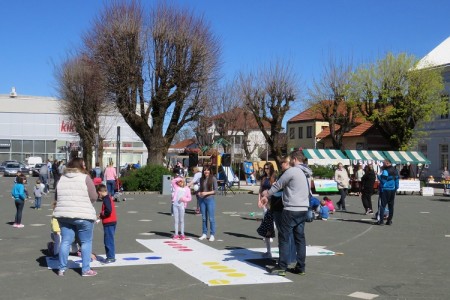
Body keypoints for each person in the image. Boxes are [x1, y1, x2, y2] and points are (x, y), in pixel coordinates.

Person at [261, 150, 310, 276]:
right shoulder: (307, 172)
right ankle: (301, 267)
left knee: (284, 237)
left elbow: (278, 185)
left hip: (291, 208)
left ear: (294, 159)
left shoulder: (292, 171)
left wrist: (266, 194)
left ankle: (282, 266)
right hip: (303, 208)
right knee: (300, 238)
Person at [53, 157, 98, 277]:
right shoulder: (85, 178)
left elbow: (57, 196)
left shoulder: (61, 178)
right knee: (86, 242)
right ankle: (85, 269)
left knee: (65, 241)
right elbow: (94, 196)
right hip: (83, 214)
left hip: (64, 214)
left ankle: (61, 269)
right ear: (81, 166)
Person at [258, 162, 277, 258]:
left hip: (272, 203)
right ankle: (268, 251)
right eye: (265, 168)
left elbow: (275, 190)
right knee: (266, 224)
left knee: (272, 224)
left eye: (268, 168)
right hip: (264, 202)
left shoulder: (274, 178)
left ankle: (271, 231)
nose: (266, 170)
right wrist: (259, 200)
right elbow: (260, 190)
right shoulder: (263, 178)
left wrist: (268, 195)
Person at [97, 184, 117, 263]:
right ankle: (110, 256)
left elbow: (108, 210)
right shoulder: (108, 198)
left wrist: (102, 214)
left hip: (109, 222)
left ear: (99, 192)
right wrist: (101, 216)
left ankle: (111, 257)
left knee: (108, 240)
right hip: (111, 221)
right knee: (109, 239)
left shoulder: (106, 199)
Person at [376, 159, 399, 225]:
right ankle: (389, 220)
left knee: (382, 205)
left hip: (385, 189)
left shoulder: (385, 171)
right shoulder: (395, 170)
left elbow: (383, 181)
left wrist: (378, 176)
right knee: (391, 206)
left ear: (387, 163)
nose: (383, 164)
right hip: (392, 189)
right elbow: (397, 180)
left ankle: (381, 221)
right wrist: (396, 187)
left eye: (383, 163)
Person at [197, 166, 218, 242]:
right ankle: (204, 233)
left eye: (207, 170)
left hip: (210, 200)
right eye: (205, 170)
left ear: (210, 171)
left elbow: (216, 190)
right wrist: (199, 192)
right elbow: (200, 189)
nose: (206, 172)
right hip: (202, 200)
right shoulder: (201, 179)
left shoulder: (213, 178)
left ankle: (212, 234)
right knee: (204, 218)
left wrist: (206, 193)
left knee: (211, 218)